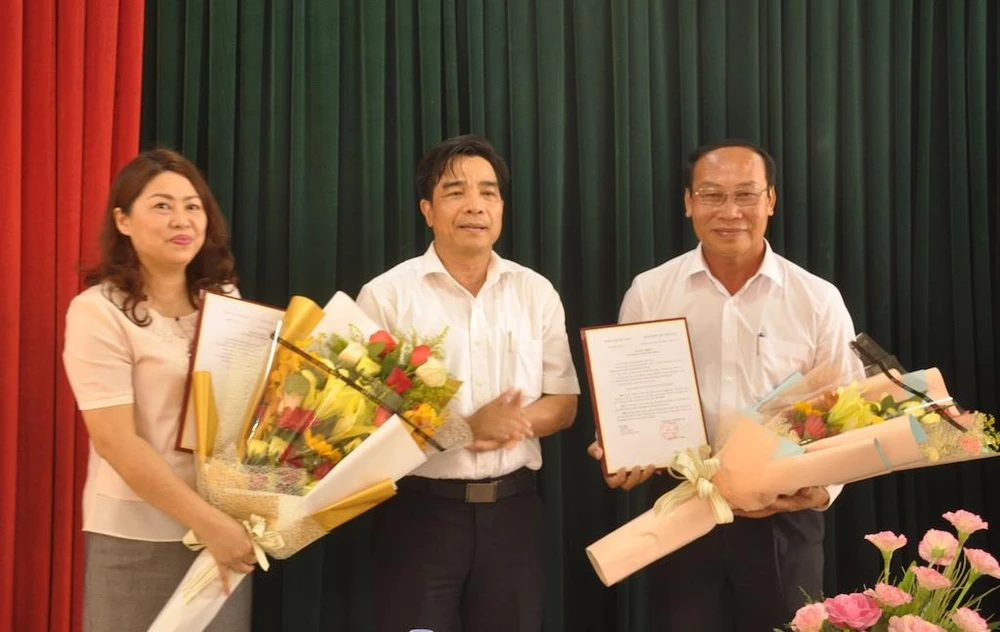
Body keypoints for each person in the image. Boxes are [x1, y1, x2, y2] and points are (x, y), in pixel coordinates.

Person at [588, 139, 863, 631]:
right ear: (688, 202)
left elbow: (851, 413)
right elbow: (628, 395)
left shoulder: (817, 299)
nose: (730, 211)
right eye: (712, 195)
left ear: (771, 200)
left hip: (784, 516)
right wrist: (620, 447)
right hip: (683, 506)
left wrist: (821, 491)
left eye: (746, 194)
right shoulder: (651, 292)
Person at [357, 134, 580, 632]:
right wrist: (466, 428)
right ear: (427, 210)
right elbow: (367, 424)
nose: (475, 205)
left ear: (501, 208)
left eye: (489, 192)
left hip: (514, 516)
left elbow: (564, 402)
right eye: (455, 192)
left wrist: (510, 422)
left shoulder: (535, 291)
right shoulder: (386, 296)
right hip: (418, 515)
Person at [62, 148, 254, 631]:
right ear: (123, 221)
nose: (181, 220)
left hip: (226, 534)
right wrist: (209, 523)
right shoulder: (98, 311)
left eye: (193, 206)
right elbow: (116, 441)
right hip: (138, 536)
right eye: (162, 206)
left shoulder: (224, 299)